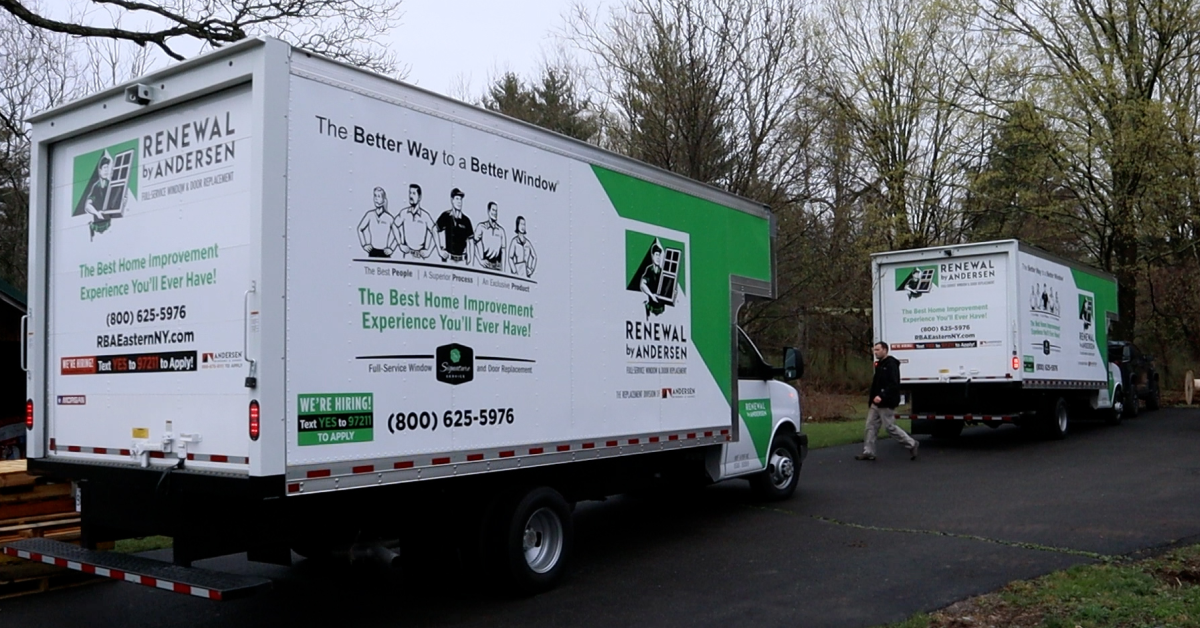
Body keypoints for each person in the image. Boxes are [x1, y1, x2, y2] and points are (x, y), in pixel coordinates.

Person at [856, 341, 919, 461]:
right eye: (874, 350)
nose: (875, 352)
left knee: (890, 427)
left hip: (886, 401)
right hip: (876, 403)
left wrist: (882, 395)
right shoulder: (879, 364)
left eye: (878, 350)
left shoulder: (891, 364)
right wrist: (872, 399)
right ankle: (868, 451)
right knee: (870, 426)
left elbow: (893, 384)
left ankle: (911, 443)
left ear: (885, 350)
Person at [391, 184, 438, 259]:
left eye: (413, 193)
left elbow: (435, 231)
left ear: (419, 197)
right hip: (407, 255)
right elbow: (394, 225)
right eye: (410, 193)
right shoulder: (404, 213)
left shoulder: (425, 216)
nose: (411, 196)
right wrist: (400, 244)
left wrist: (429, 251)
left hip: (420, 256)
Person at [436, 188, 474, 264]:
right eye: (457, 199)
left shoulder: (466, 220)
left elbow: (471, 241)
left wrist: (470, 260)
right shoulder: (446, 215)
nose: (459, 202)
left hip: (462, 260)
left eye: (460, 199)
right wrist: (440, 250)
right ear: (452, 200)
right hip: (448, 259)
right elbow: (434, 230)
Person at [357, 187, 395, 257]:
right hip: (372, 251)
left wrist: (391, 248)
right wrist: (364, 244)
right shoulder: (370, 215)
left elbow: (398, 234)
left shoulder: (389, 218)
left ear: (384, 200)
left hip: (384, 253)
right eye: (375, 195)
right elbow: (360, 229)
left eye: (379, 196)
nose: (376, 198)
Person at [472, 201, 506, 271]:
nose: (495, 213)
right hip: (487, 264)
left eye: (496, 211)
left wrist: (504, 270)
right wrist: (480, 260)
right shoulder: (482, 227)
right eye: (493, 210)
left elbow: (503, 251)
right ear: (488, 211)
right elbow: (472, 243)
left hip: (498, 265)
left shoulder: (501, 230)